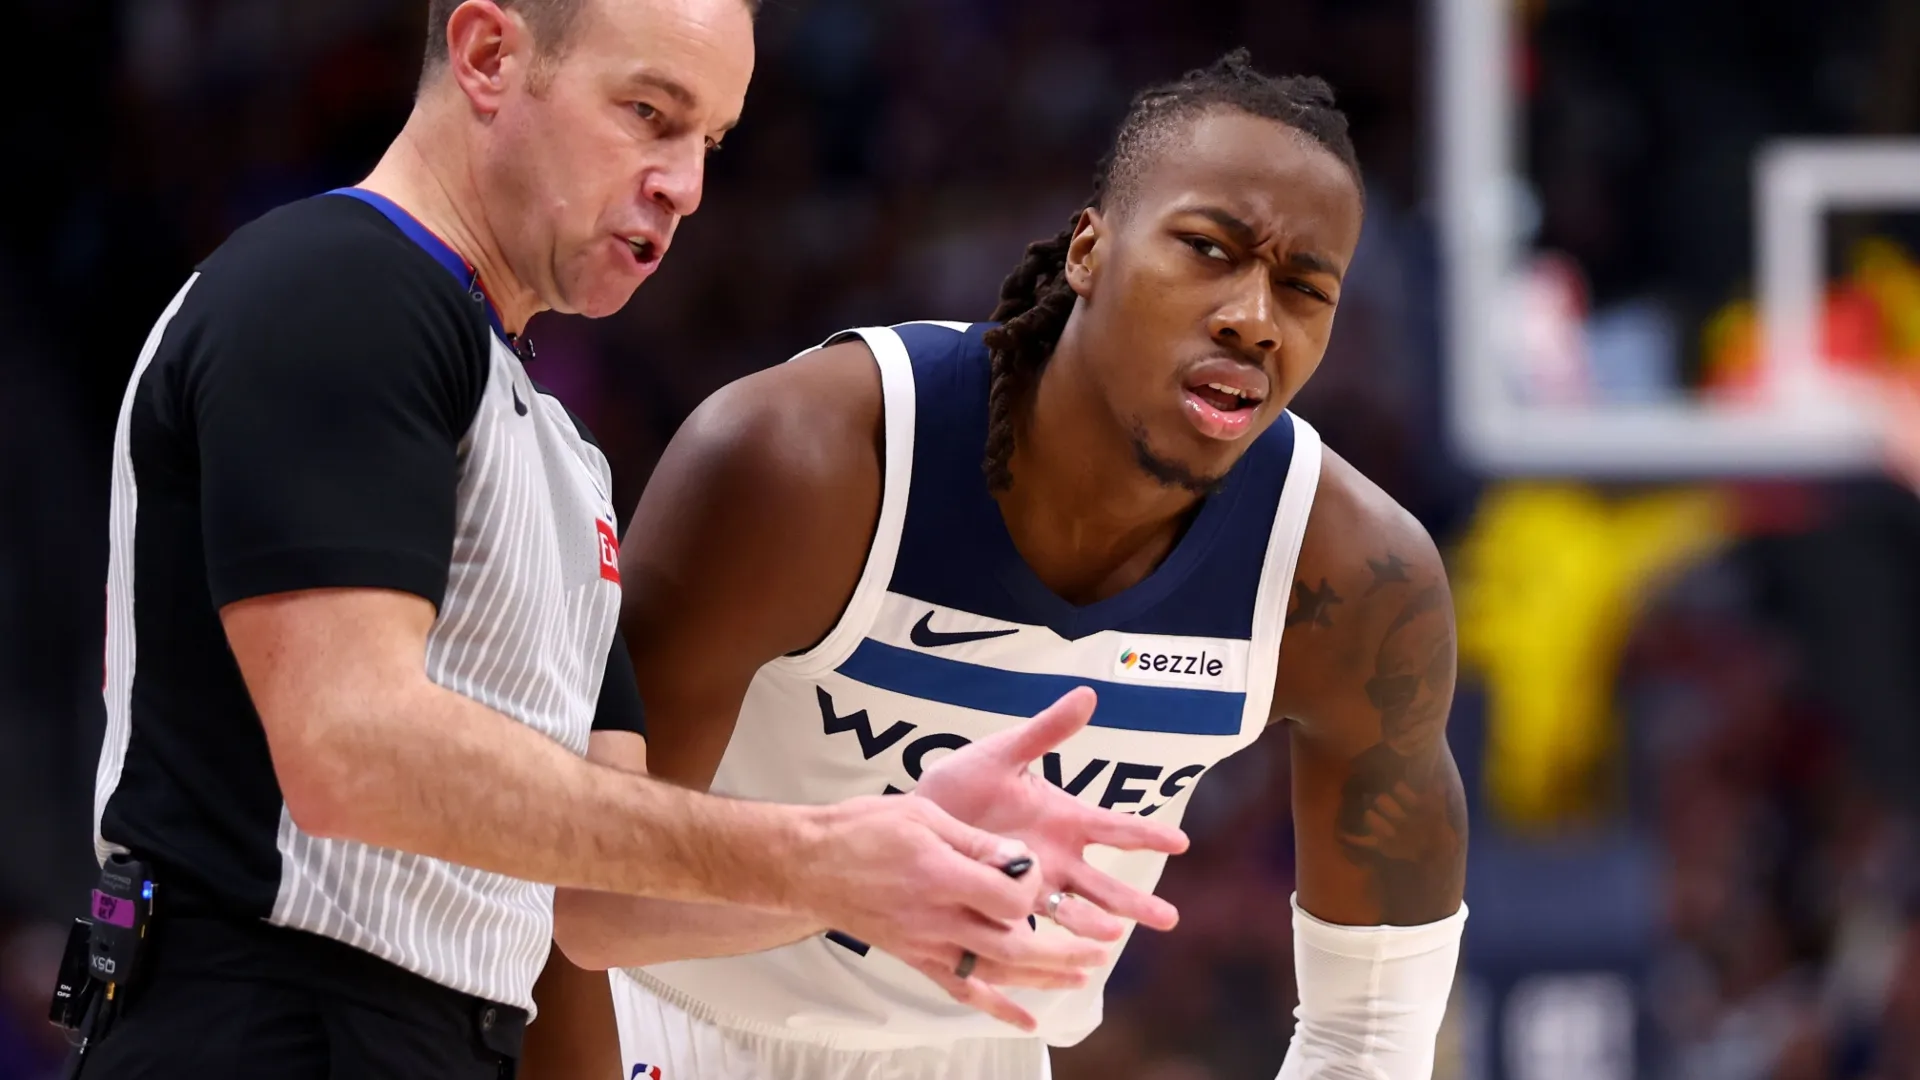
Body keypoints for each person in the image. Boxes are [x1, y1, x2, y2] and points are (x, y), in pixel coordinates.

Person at [70, 0, 1187, 1075]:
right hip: (262, 1020)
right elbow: (353, 750)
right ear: (488, 54)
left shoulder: (563, 455)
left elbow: (603, 908)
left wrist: (887, 850)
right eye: (649, 113)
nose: (685, 185)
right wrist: (816, 854)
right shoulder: (339, 286)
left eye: (710, 138)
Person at [530, 49, 1471, 1080]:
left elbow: (1372, 1032)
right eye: (1208, 249)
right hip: (671, 1033)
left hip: (986, 1057)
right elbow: (573, 892)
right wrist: (851, 874)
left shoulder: (1353, 579)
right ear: (1087, 251)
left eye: (1304, 288)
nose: (1254, 317)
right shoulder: (802, 461)